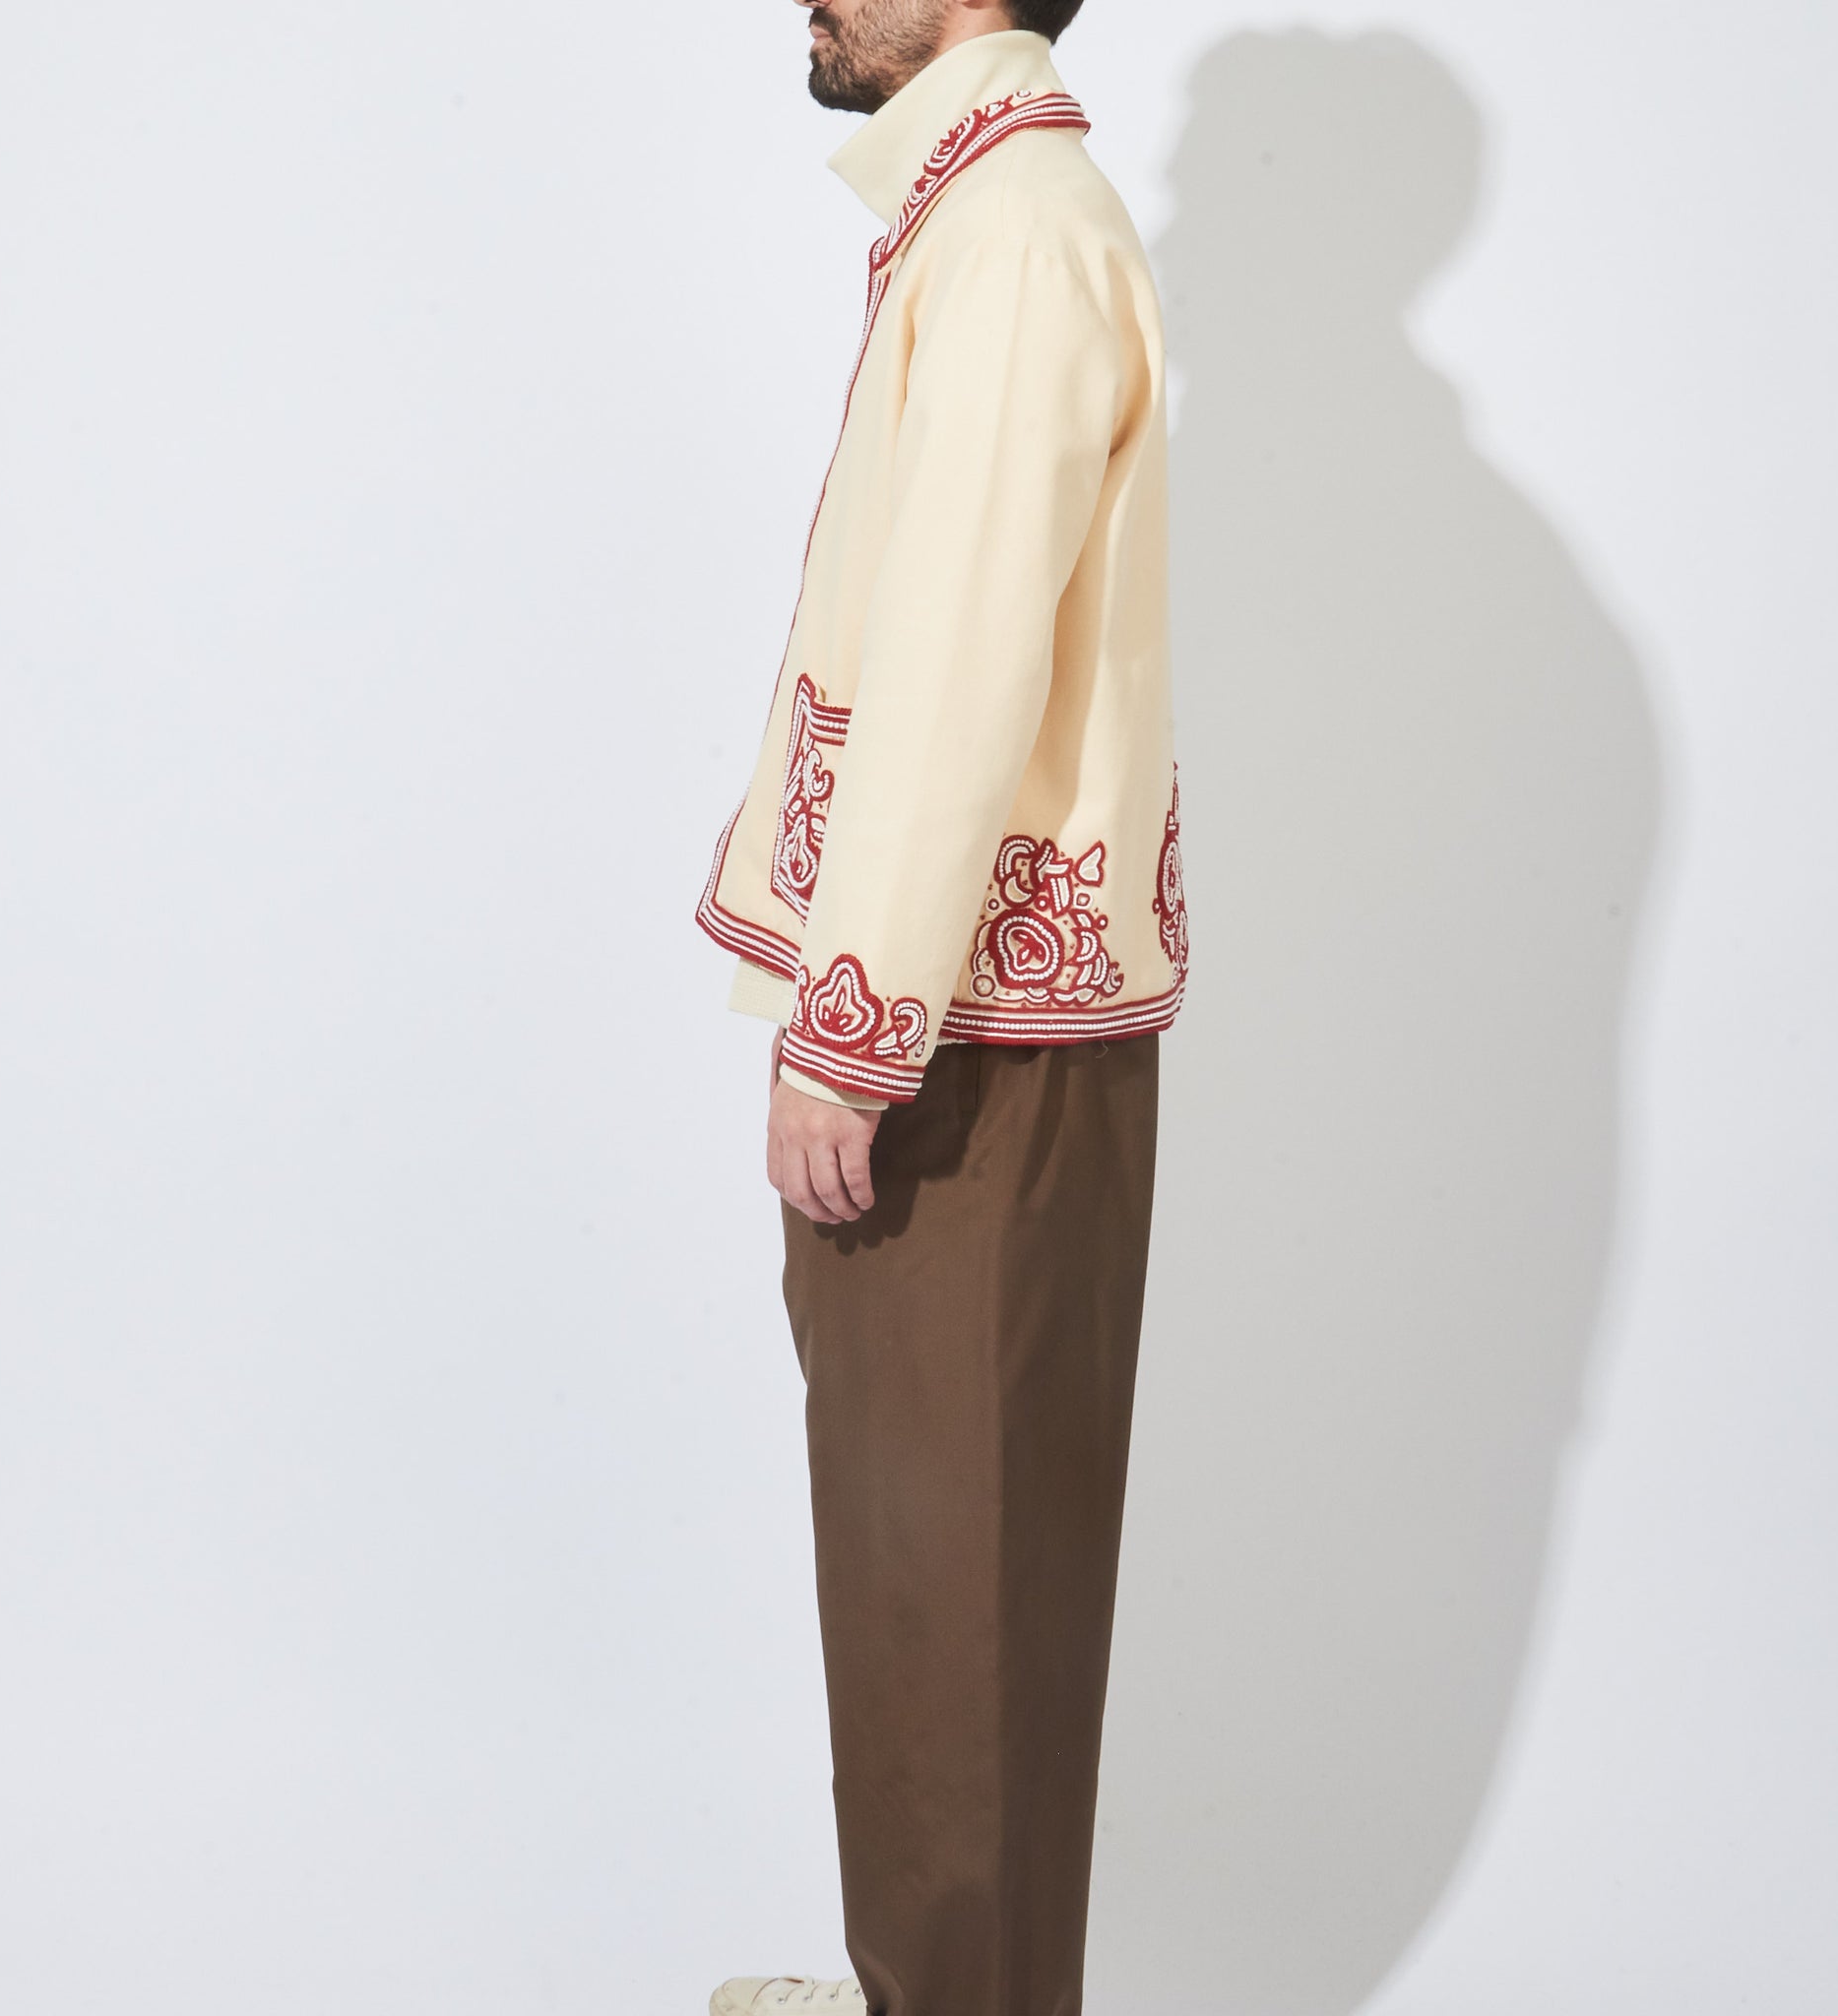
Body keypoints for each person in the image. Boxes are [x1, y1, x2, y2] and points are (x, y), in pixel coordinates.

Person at [696, 2, 1186, 2011]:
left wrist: (853, 1025)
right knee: (925, 1586)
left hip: (961, 1044)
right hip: (961, 1021)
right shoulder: (985, 214)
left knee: (961, 1591)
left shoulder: (1019, 234)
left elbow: (961, 653)